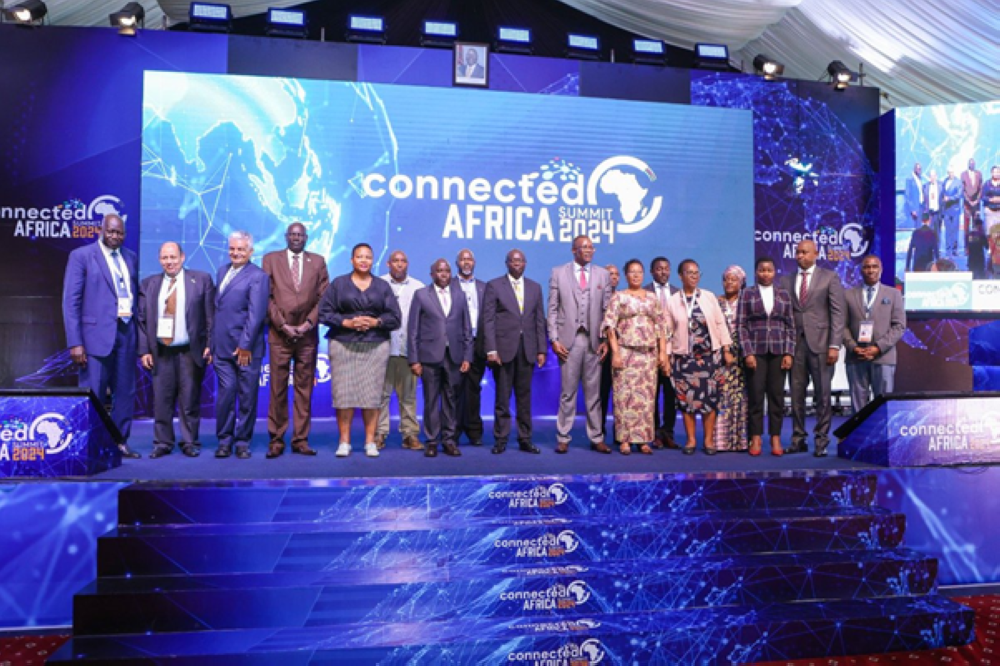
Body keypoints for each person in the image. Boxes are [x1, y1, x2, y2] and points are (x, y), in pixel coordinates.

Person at [62, 213, 141, 458]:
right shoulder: (82, 256)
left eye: (119, 233)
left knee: (125, 392)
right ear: (101, 230)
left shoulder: (131, 257)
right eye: (111, 232)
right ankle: (90, 446)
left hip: (126, 333)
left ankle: (119, 443)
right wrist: (75, 342)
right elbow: (70, 301)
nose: (115, 237)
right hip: (94, 336)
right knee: (94, 392)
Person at [318, 243, 401, 458]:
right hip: (343, 344)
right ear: (352, 260)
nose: (363, 260)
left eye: (367, 257)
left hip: (375, 345)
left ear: (373, 260)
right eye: (359, 257)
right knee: (343, 395)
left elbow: (395, 317)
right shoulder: (338, 284)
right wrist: (346, 323)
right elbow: (323, 312)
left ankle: (370, 442)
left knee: (371, 395)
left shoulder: (382, 286)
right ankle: (344, 442)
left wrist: (375, 322)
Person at [137, 242, 215, 459]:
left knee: (189, 399)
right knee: (161, 400)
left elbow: (210, 317)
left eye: (173, 257)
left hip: (190, 350)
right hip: (161, 351)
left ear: (182, 257)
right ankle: (163, 442)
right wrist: (144, 351)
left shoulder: (201, 280)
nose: (169, 262)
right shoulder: (149, 284)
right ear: (159, 260)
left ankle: (190, 441)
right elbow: (141, 321)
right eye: (164, 258)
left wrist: (210, 344)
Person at [262, 223, 330, 458]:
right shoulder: (271, 259)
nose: (296, 238)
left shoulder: (318, 261)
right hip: (279, 335)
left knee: (304, 391)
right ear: (286, 237)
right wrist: (282, 325)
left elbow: (324, 297)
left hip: (307, 337)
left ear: (306, 238)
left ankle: (300, 439)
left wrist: (308, 324)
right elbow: (266, 296)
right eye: (292, 234)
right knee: (277, 390)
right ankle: (277, 440)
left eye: (300, 235)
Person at [779, 239, 845, 457]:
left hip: (822, 345)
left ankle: (821, 440)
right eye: (797, 252)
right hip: (795, 345)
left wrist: (834, 345)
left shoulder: (829, 277)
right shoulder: (786, 280)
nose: (799, 256)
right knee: (796, 395)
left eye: (804, 252)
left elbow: (838, 314)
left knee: (822, 396)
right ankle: (798, 439)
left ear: (816, 254)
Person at [547, 235, 612, 454]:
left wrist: (605, 340)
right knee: (568, 392)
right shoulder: (558, 272)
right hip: (568, 341)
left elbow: (607, 311)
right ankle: (563, 436)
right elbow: (553, 309)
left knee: (594, 394)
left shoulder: (603, 274)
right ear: (574, 250)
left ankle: (596, 437)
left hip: (593, 341)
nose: (589, 250)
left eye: (591, 247)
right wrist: (554, 339)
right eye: (584, 247)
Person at [663, 259, 734, 455]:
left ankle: (709, 440)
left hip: (709, 358)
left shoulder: (709, 297)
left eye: (697, 273)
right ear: (680, 276)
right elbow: (667, 332)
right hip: (684, 359)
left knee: (710, 400)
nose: (694, 276)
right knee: (687, 401)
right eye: (689, 272)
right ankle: (691, 440)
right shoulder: (672, 300)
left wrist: (727, 349)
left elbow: (720, 324)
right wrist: (666, 357)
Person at [483, 249, 547, 455]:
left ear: (525, 263)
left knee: (524, 397)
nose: (517, 264)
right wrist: (491, 349)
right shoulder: (494, 286)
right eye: (513, 261)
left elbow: (539, 320)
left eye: (520, 261)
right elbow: (489, 320)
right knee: (502, 397)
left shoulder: (535, 288)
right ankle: (501, 439)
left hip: (527, 350)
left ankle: (525, 438)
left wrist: (541, 350)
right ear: (507, 263)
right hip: (502, 350)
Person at [212, 231, 269, 459]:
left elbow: (256, 315)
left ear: (250, 252)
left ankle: (242, 441)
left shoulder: (258, 276)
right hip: (222, 347)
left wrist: (245, 345)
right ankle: (224, 441)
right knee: (226, 395)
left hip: (246, 349)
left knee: (247, 397)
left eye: (241, 249)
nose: (235, 253)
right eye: (232, 249)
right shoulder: (222, 271)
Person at [602, 259, 668, 455]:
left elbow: (661, 327)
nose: (636, 275)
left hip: (648, 354)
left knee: (647, 398)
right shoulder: (619, 297)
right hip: (625, 352)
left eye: (639, 272)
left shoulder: (652, 298)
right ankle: (625, 439)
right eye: (632, 272)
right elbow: (610, 326)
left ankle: (644, 439)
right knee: (625, 397)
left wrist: (663, 352)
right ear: (626, 275)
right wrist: (615, 353)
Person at [408, 259, 473, 458]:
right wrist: (414, 359)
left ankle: (449, 440)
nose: (443, 274)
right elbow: (413, 330)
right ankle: (431, 440)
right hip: (429, 357)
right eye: (439, 271)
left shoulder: (460, 295)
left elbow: (467, 328)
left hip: (454, 355)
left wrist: (467, 356)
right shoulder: (421, 295)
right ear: (432, 274)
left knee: (451, 400)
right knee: (430, 400)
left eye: (446, 271)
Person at [737, 257, 795, 457]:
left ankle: (775, 436)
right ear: (756, 272)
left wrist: (789, 352)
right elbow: (741, 325)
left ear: (774, 272)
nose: (766, 273)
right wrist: (748, 352)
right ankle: (756, 436)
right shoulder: (747, 294)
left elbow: (790, 325)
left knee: (777, 397)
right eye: (762, 270)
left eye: (769, 270)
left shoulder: (784, 295)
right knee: (755, 396)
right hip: (756, 352)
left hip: (779, 352)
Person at [843, 255, 906, 413]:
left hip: (883, 357)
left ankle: (881, 437)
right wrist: (853, 347)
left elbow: (899, 326)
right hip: (856, 357)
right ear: (861, 270)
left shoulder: (893, 294)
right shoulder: (848, 295)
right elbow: (841, 326)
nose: (870, 270)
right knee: (858, 407)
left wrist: (878, 347)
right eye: (866, 267)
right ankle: (860, 437)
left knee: (883, 403)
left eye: (874, 267)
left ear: (881, 269)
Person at [376, 251, 424, 451]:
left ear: (407, 264)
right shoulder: (377, 284)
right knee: (380, 396)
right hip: (382, 349)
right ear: (388, 264)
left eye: (403, 261)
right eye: (395, 261)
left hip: (408, 351)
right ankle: (379, 434)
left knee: (408, 396)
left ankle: (410, 435)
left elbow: (423, 322)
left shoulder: (418, 287)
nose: (399, 264)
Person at [453, 249, 488, 447]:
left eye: (469, 259)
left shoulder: (484, 287)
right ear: (457, 262)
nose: (466, 262)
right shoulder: (448, 285)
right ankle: (453, 431)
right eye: (463, 259)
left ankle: (474, 431)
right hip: (456, 344)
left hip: (478, 344)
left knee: (474, 389)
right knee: (454, 389)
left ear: (474, 262)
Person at [645, 256, 679, 449]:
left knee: (670, 393)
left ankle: (668, 433)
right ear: (652, 272)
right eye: (659, 269)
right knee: (652, 394)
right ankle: (654, 433)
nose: (663, 272)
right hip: (650, 351)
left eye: (666, 268)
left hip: (673, 352)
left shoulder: (677, 293)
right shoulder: (644, 292)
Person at [714, 265, 748, 452]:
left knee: (742, 399)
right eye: (726, 279)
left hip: (743, 357)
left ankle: (740, 441)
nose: (729, 283)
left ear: (741, 282)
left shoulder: (747, 302)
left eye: (733, 279)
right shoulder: (717, 302)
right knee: (722, 398)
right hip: (722, 357)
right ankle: (721, 441)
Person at [600, 263, 620, 442]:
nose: (612, 277)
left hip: (622, 352)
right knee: (602, 392)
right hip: (601, 352)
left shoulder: (623, 297)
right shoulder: (596, 296)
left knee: (621, 394)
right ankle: (599, 433)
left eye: (615, 274)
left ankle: (620, 433)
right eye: (609, 274)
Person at [942, 168, 963, 255]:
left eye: (952, 172)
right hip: (946, 210)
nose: (951, 173)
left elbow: (959, 195)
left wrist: (949, 198)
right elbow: (943, 193)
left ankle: (955, 249)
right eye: (949, 172)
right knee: (948, 230)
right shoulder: (945, 181)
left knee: (954, 230)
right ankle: (948, 249)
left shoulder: (958, 182)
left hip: (955, 209)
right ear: (947, 173)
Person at [962, 158, 983, 234]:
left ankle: (976, 243)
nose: (972, 164)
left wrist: (977, 200)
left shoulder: (979, 173)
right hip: (967, 202)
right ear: (968, 164)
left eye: (973, 163)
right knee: (966, 223)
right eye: (970, 163)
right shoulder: (963, 174)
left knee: (976, 223)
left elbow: (981, 188)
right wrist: (969, 200)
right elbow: (962, 189)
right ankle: (966, 243)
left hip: (976, 202)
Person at [967, 213, 987, 278]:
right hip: (979, 258)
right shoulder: (981, 235)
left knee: (972, 276)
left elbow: (968, 246)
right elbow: (987, 246)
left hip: (971, 258)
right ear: (979, 225)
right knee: (981, 276)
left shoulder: (969, 234)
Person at [924, 169, 943, 240]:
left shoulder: (941, 185)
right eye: (931, 176)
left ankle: (937, 249)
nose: (932, 178)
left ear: (936, 176)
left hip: (938, 212)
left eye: (934, 176)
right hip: (930, 213)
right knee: (929, 232)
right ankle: (930, 249)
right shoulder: (925, 186)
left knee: (938, 232)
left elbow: (943, 199)